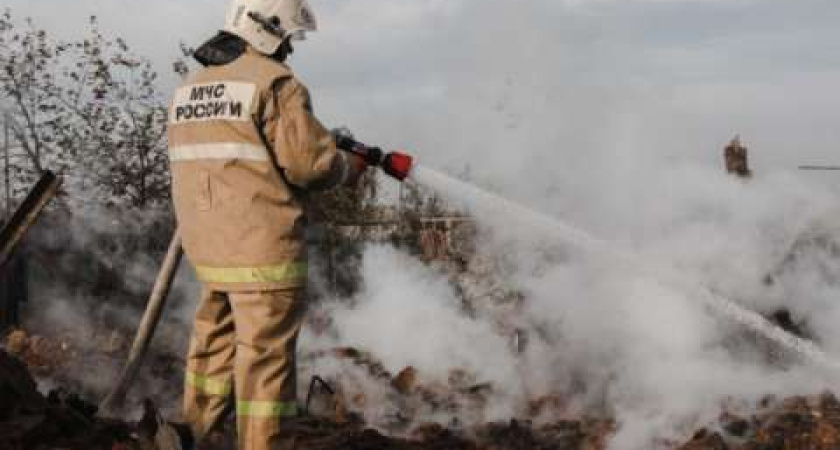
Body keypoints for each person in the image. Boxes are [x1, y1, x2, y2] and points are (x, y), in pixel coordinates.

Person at [166, 1, 370, 448]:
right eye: (288, 39)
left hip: (209, 249)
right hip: (263, 251)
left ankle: (196, 436)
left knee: (212, 349)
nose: (289, 51)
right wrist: (347, 169)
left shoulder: (190, 88)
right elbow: (309, 167)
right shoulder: (275, 83)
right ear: (267, 29)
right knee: (265, 361)